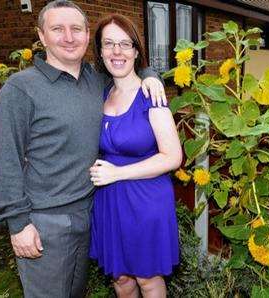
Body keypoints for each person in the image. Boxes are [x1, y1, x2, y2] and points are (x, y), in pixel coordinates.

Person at [0, 1, 165, 297]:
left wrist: (151, 75)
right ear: (42, 36)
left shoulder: (96, 81)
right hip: (45, 221)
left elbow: (127, 68)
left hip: (91, 211)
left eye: (76, 29)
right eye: (58, 29)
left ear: (85, 36)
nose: (69, 37)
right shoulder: (21, 88)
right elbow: (3, 158)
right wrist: (18, 224)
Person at [88, 14, 182, 298]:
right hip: (109, 201)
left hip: (145, 199)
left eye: (124, 44)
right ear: (100, 51)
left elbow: (172, 157)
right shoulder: (100, 93)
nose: (117, 52)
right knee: (121, 281)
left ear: (136, 51)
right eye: (109, 44)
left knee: (147, 279)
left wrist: (117, 173)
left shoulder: (150, 95)